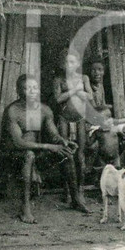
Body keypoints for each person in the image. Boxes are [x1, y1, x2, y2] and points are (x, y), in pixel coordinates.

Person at [0, 74, 88, 223]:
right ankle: (25, 208)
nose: (32, 91)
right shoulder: (13, 111)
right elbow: (18, 143)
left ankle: (75, 199)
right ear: (18, 91)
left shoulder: (44, 110)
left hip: (35, 152)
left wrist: (63, 141)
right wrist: (48, 146)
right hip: (13, 156)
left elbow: (54, 135)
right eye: (27, 88)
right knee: (28, 155)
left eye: (35, 88)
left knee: (66, 153)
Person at [53, 51, 92, 202]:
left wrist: (83, 94)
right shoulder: (59, 80)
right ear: (62, 64)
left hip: (80, 119)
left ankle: (80, 190)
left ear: (78, 64)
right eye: (66, 62)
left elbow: (90, 96)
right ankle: (67, 190)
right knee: (65, 153)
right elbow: (58, 99)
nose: (69, 65)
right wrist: (75, 90)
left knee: (80, 155)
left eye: (72, 62)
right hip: (64, 119)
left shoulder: (84, 78)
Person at [85, 55, 121, 168]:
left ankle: (113, 165)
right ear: (89, 72)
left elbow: (103, 106)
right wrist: (107, 107)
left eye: (100, 69)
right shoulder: (87, 87)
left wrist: (105, 109)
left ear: (104, 71)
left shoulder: (100, 86)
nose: (97, 73)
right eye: (93, 70)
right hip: (90, 123)